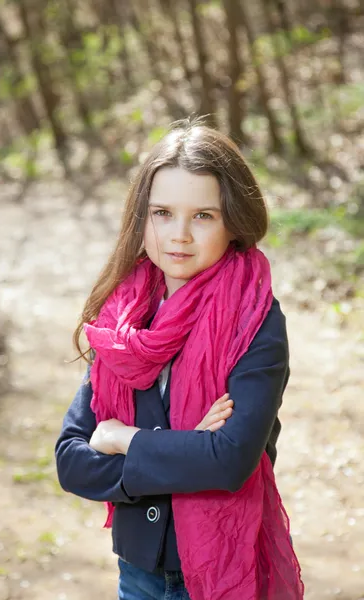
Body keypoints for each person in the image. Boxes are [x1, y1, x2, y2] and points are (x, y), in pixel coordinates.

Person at [55, 118, 305, 600]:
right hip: (139, 568)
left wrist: (123, 438)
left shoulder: (256, 320)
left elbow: (229, 461)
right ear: (141, 219)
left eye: (203, 216)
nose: (180, 235)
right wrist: (188, 449)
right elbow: (72, 460)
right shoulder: (123, 320)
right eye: (163, 213)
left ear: (233, 222)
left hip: (220, 568)